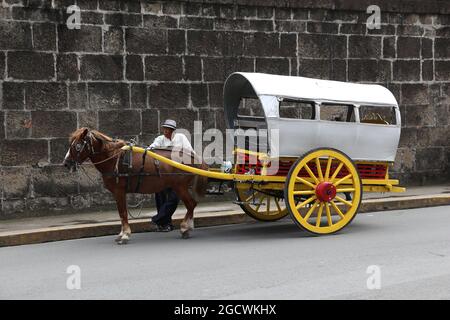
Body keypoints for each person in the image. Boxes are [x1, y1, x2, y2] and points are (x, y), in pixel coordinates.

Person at [148, 119, 195, 232]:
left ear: (173, 130)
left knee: (174, 198)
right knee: (160, 198)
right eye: (164, 128)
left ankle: (157, 219)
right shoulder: (160, 139)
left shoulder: (181, 138)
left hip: (177, 176)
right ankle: (165, 224)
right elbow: (151, 149)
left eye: (168, 129)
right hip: (162, 176)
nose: (165, 131)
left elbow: (190, 152)